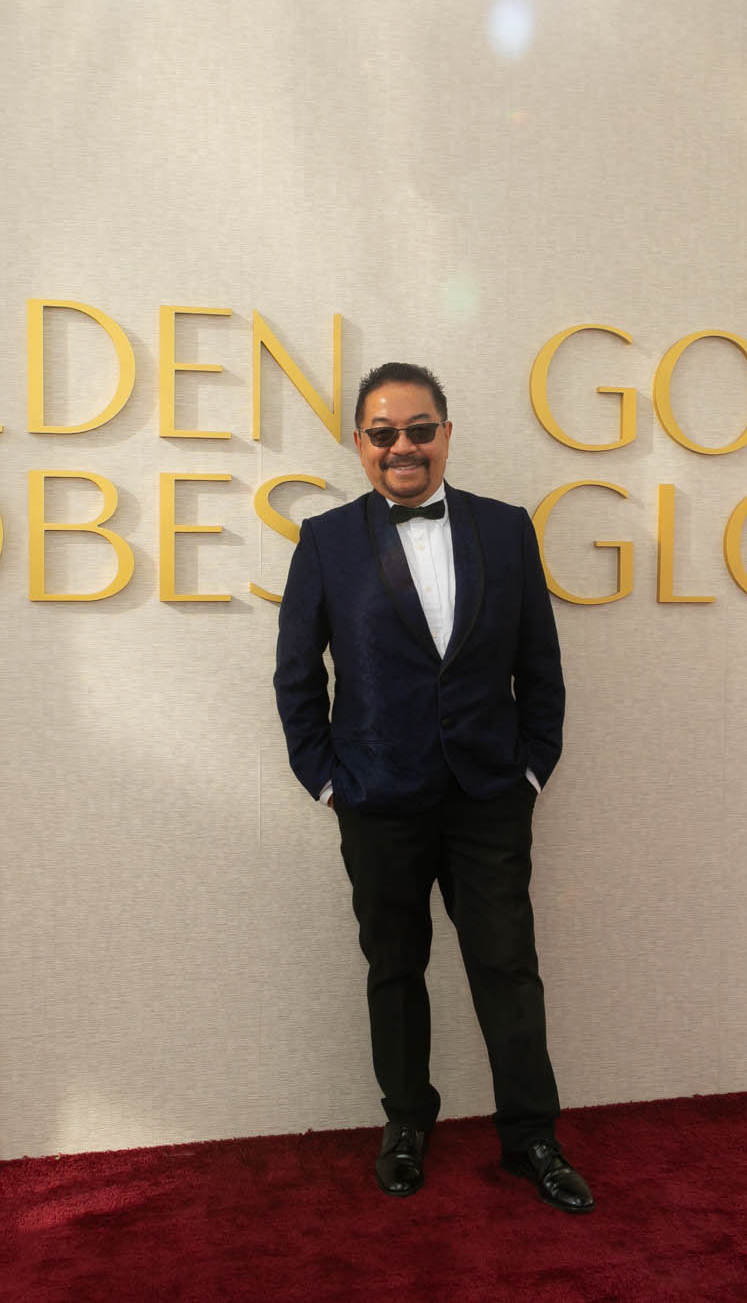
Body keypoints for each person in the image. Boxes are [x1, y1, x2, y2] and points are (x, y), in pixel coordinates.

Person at [273, 361, 593, 1214]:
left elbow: (541, 665)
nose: (403, 447)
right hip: (376, 799)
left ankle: (531, 1137)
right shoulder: (325, 541)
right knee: (394, 967)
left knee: (508, 966)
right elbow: (297, 676)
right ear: (360, 443)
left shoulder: (507, 529)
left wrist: (531, 770)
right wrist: (327, 783)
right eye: (384, 434)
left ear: (446, 434)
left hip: (489, 797)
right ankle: (407, 1122)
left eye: (420, 430)